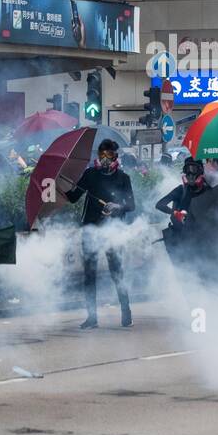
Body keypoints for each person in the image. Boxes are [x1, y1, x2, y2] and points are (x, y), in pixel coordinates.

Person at [64, 140, 136, 329]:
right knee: (89, 275)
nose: (105, 159)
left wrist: (118, 206)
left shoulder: (123, 178)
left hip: (113, 231)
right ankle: (92, 317)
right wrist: (61, 184)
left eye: (109, 155)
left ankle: (126, 312)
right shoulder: (90, 175)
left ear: (115, 157)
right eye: (101, 155)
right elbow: (73, 198)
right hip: (91, 230)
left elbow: (132, 205)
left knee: (116, 272)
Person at [155, 158, 208, 225]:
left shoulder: (207, 190)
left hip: (201, 231)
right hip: (180, 232)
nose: (190, 175)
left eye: (193, 170)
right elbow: (159, 205)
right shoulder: (181, 190)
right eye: (187, 170)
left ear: (200, 172)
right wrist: (175, 213)